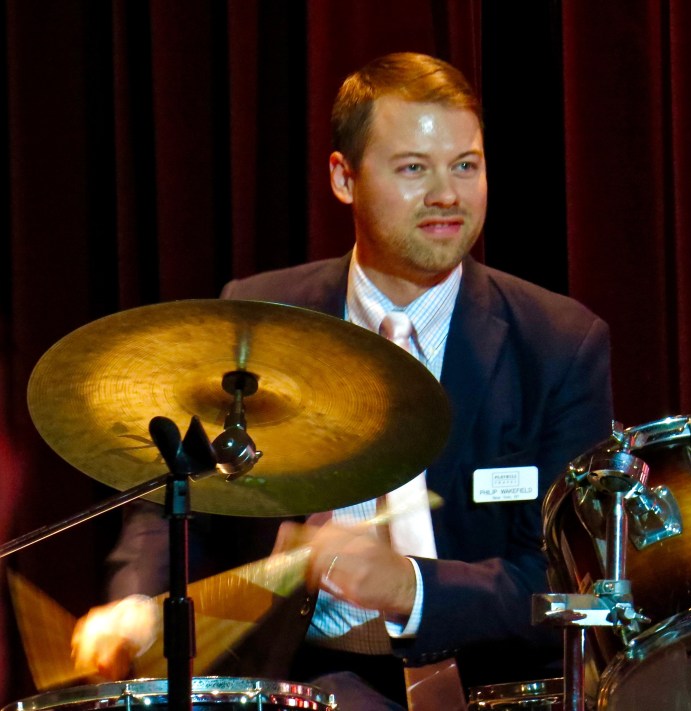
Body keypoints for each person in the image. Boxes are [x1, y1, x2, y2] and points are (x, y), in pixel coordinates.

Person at [72, 51, 614, 708]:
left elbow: (567, 585)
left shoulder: (557, 342)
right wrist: (135, 601)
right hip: (300, 673)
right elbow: (174, 503)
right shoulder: (262, 319)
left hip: (490, 682)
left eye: (465, 165)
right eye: (414, 168)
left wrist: (408, 587)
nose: (447, 194)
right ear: (343, 177)